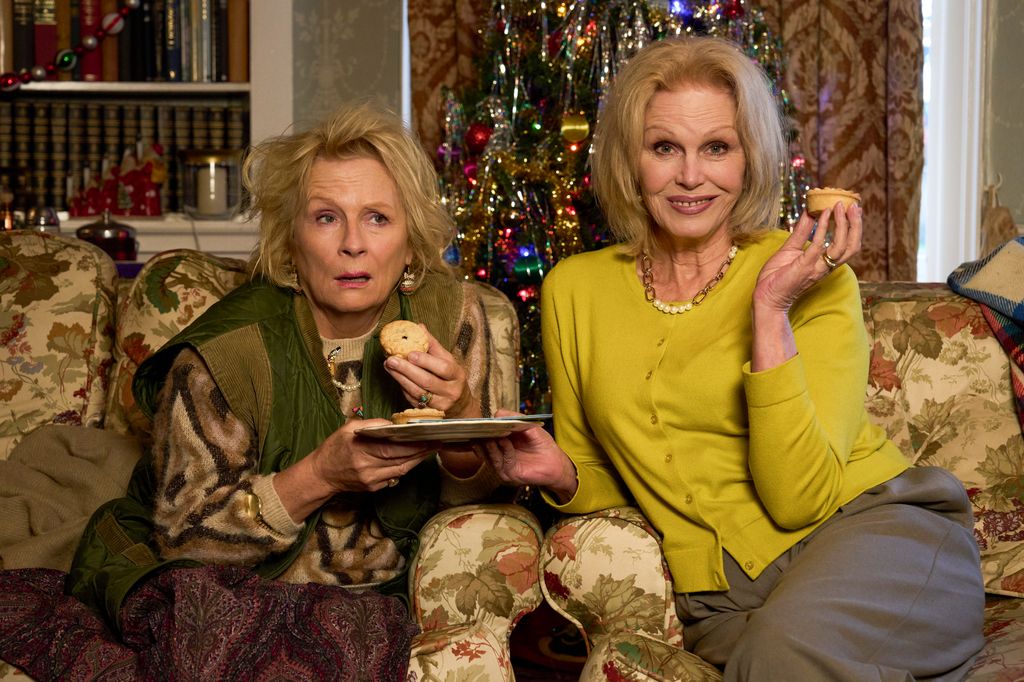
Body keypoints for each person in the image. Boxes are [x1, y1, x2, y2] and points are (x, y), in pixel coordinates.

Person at [480, 36, 985, 680]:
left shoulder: (807, 275)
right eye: (665, 148)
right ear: (630, 160)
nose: (692, 176)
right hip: (717, 600)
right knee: (771, 656)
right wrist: (561, 476)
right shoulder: (575, 288)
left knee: (780, 657)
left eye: (717, 147)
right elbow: (606, 479)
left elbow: (800, 501)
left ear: (750, 159)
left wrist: (769, 310)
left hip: (871, 537)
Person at [39, 102, 507, 676]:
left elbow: (483, 496)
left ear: (411, 242)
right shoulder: (228, 349)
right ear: (290, 243)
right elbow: (183, 537)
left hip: (394, 589)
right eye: (327, 217)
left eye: (379, 218)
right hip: (244, 585)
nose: (353, 244)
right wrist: (320, 476)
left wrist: (458, 413)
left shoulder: (451, 315)